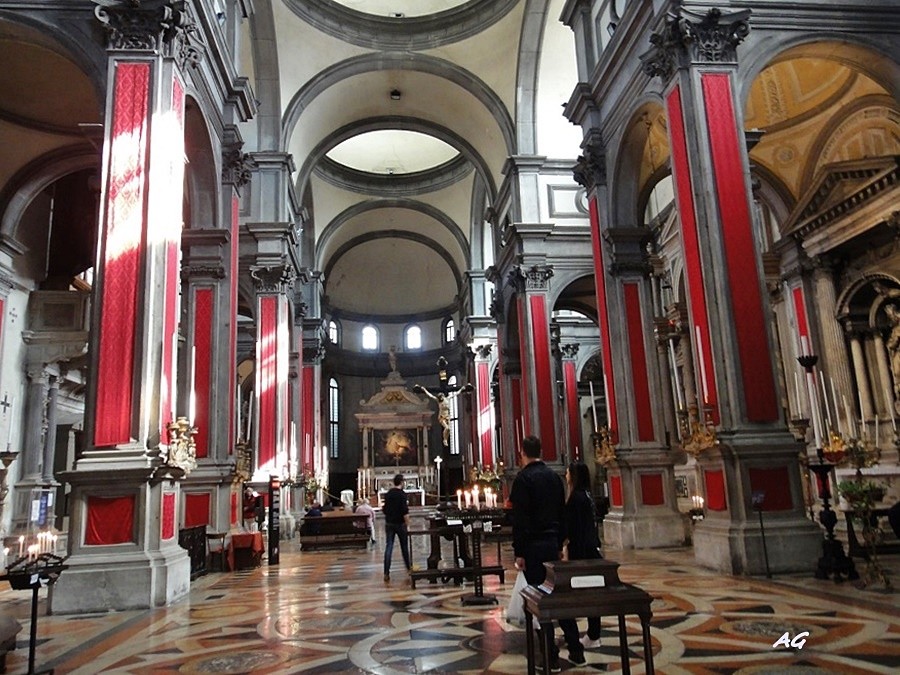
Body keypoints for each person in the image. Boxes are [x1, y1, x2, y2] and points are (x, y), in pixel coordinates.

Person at [509, 436, 584, 669]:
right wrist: (561, 543)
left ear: (522, 453)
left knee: (539, 602)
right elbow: (562, 513)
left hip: (532, 547)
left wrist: (519, 552)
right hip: (552, 544)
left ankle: (550, 656)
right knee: (559, 597)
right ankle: (576, 651)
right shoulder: (554, 477)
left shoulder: (523, 479)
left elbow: (520, 520)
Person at [563, 461, 603, 649]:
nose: (566, 475)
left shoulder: (576, 498)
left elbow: (572, 527)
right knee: (592, 594)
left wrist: (565, 546)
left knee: (583, 595)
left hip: (581, 551)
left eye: (568, 472)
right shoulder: (587, 495)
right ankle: (593, 633)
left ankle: (592, 635)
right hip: (591, 548)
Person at [382, 473, 412, 582]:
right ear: (402, 482)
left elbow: (384, 509)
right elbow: (405, 511)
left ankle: (386, 572)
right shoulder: (402, 494)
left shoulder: (389, 493)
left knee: (388, 547)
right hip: (400, 524)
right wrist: (408, 525)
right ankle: (409, 569)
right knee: (404, 547)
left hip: (389, 523)